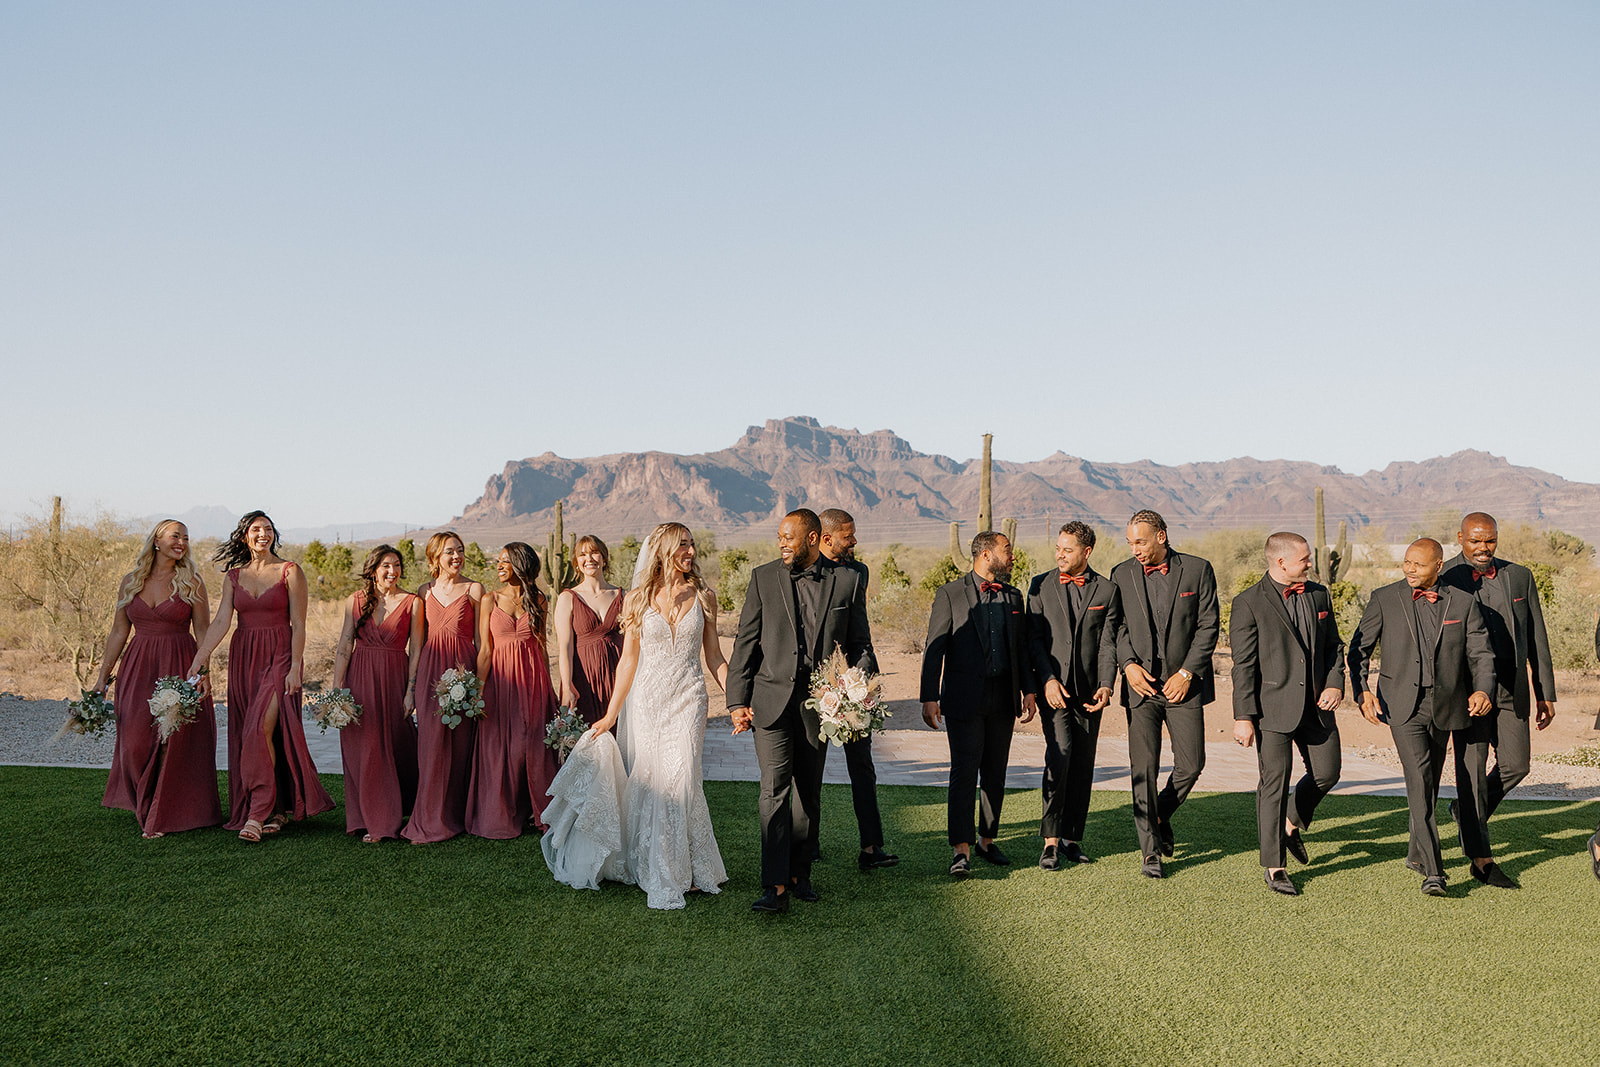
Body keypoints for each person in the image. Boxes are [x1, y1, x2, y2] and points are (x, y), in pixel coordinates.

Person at [729, 509, 875, 911]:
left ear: (812, 538)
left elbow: (860, 643)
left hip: (821, 706)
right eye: (779, 537)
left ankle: (800, 874)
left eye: (788, 537)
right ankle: (774, 885)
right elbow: (746, 641)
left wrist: (858, 685)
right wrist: (737, 700)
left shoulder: (847, 580)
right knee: (773, 790)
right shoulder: (763, 577)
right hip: (770, 702)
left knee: (808, 793)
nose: (782, 543)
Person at [584, 523, 730, 909]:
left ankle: (681, 870)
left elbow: (714, 657)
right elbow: (628, 662)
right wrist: (611, 715)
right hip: (648, 702)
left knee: (682, 777)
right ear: (662, 550)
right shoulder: (636, 599)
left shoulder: (704, 596)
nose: (691, 551)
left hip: (689, 699)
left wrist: (737, 700)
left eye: (692, 544)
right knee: (653, 781)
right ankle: (658, 866)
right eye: (683, 544)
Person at [1348, 538, 1502, 895]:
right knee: (1418, 779)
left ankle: (1416, 854)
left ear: (1438, 566)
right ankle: (1435, 872)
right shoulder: (1384, 598)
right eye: (1407, 562)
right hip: (1402, 706)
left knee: (1429, 782)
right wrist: (1362, 690)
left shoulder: (1463, 602)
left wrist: (1483, 690)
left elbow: (1481, 654)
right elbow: (1359, 649)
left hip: (1446, 705)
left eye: (1418, 564)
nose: (1410, 569)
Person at [189, 511, 333, 841]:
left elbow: (299, 623)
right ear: (245, 536)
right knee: (257, 734)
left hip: (280, 656)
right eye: (256, 529)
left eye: (268, 529)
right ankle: (277, 810)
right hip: (244, 659)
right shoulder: (234, 577)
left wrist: (295, 666)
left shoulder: (290, 571)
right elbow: (222, 621)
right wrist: (201, 657)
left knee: (259, 729)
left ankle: (256, 814)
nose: (263, 534)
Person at [1228, 532, 1344, 896]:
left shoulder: (1319, 594)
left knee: (1328, 773)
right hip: (1272, 709)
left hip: (1318, 706)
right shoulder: (1248, 602)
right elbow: (1243, 666)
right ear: (1281, 562)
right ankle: (1275, 866)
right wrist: (1243, 716)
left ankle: (1291, 824)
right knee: (1274, 784)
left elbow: (1334, 646)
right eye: (1304, 559)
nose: (1310, 563)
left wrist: (1335, 684)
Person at [91, 519, 222, 838]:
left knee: (171, 740)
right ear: (156, 541)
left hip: (179, 662)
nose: (182, 542)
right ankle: (146, 802)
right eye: (175, 536)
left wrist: (204, 671)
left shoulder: (191, 581)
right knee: (134, 740)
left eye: (186, 538)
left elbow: (203, 631)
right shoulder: (131, 581)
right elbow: (118, 631)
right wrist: (102, 679)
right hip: (137, 667)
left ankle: (157, 814)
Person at [1108, 509, 1219, 878]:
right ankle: (1150, 853)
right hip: (1140, 688)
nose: (1135, 550)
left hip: (1183, 686)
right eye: (1130, 543)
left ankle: (1159, 815)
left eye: (1140, 542)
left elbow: (1208, 625)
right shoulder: (1121, 574)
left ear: (1161, 535)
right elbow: (1116, 626)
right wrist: (1128, 665)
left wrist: (1187, 672)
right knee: (1144, 769)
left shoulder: (1198, 569)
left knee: (1192, 764)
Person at [921, 530, 1037, 878]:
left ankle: (987, 840)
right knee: (964, 772)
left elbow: (1021, 647)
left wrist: (1028, 690)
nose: (1012, 556)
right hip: (963, 698)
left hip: (1003, 697)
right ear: (986, 554)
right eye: (1007, 550)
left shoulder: (1014, 596)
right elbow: (935, 646)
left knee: (996, 772)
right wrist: (929, 696)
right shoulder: (950, 593)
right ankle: (961, 848)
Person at [1439, 513, 1557, 833]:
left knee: (1516, 765)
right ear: (1461, 538)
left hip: (1510, 687)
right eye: (1475, 540)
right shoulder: (1444, 577)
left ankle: (1464, 811)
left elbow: (1536, 638)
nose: (1483, 547)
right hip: (1469, 691)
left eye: (1490, 540)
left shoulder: (1519, 576)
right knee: (1473, 770)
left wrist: (1544, 693)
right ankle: (1475, 838)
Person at [1026, 521, 1121, 869]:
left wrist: (1107, 684)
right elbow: (1033, 639)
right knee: (1060, 754)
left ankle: (1070, 838)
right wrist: (1047, 680)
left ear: (1087, 552)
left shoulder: (1108, 590)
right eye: (1058, 548)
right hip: (1053, 690)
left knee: (1082, 762)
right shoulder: (1039, 585)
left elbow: (1108, 642)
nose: (1060, 555)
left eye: (1067, 549)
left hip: (1090, 692)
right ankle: (1050, 841)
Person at [814, 508, 896, 871]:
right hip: (812, 686)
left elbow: (861, 632)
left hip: (852, 684)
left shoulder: (858, 571)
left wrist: (860, 682)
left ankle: (871, 847)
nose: (855, 541)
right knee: (809, 768)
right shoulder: (801, 570)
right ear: (826, 538)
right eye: (848, 536)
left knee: (863, 765)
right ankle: (806, 843)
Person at [466, 542, 558, 839]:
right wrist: (478, 692)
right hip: (500, 680)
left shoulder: (539, 599)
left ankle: (539, 811)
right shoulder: (490, 600)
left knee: (534, 745)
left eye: (505, 561)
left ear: (520, 564)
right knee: (501, 746)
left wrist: (549, 688)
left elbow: (541, 645)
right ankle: (501, 814)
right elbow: (485, 650)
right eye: (498, 560)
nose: (499, 566)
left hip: (533, 679)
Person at [329, 545, 420, 843]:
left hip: (394, 680)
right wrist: (337, 688)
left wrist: (410, 691)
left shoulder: (413, 603)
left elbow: (417, 650)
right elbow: (345, 644)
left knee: (395, 747)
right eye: (386, 566)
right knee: (365, 750)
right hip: (359, 681)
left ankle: (402, 809)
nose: (392, 571)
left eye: (397, 565)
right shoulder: (354, 600)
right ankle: (374, 821)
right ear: (373, 570)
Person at [402, 531, 485, 844]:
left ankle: (457, 816)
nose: (456, 557)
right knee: (431, 745)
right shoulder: (424, 591)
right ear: (435, 557)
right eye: (450, 551)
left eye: (460, 550)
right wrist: (412, 686)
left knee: (461, 746)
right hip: (431, 672)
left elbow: (482, 642)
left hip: (464, 671)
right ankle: (428, 819)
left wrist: (479, 684)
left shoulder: (474, 589)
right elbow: (418, 642)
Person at [554, 535, 624, 726]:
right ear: (576, 562)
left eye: (594, 552)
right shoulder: (568, 598)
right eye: (582, 554)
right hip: (583, 679)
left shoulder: (623, 596)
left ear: (604, 557)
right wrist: (567, 687)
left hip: (618, 677)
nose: (589, 559)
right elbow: (565, 648)